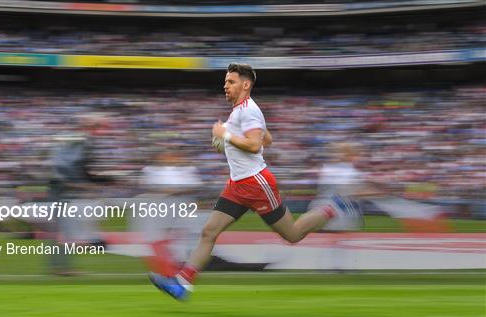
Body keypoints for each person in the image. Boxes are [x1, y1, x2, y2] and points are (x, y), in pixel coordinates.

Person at [149, 63, 357, 300]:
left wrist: (225, 135)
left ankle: (333, 208)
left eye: (231, 81)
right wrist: (226, 141)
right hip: (237, 185)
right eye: (225, 81)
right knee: (209, 232)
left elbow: (256, 145)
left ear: (245, 84)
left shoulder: (248, 110)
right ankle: (182, 284)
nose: (225, 85)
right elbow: (267, 138)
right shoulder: (240, 111)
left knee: (293, 235)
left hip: (256, 184)